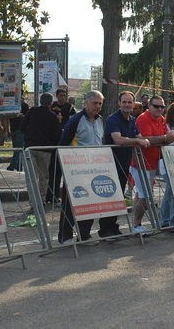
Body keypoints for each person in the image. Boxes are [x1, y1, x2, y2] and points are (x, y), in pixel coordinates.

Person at [57, 90, 106, 244]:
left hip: (94, 169)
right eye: (94, 103)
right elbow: (63, 144)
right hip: (75, 169)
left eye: (100, 103)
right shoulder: (76, 120)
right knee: (70, 203)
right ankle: (64, 237)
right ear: (86, 102)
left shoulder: (100, 120)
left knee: (90, 203)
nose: (97, 106)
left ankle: (84, 235)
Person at [102, 91, 150, 238]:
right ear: (119, 103)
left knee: (118, 198)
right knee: (109, 198)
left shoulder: (132, 120)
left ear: (134, 104)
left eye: (130, 102)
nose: (127, 105)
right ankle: (105, 231)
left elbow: (140, 137)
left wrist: (145, 140)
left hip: (124, 164)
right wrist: (138, 141)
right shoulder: (113, 119)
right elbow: (118, 140)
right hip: (110, 164)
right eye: (124, 102)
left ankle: (113, 228)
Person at [130, 96, 174, 234]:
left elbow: (163, 140)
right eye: (156, 106)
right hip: (139, 163)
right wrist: (165, 138)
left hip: (152, 164)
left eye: (162, 107)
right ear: (149, 106)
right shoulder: (143, 118)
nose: (159, 109)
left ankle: (136, 224)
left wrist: (172, 138)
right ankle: (137, 225)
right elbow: (144, 139)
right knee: (145, 195)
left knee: (142, 195)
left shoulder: (162, 120)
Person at [21, 93, 63, 213]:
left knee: (31, 177)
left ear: (40, 101)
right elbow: (57, 135)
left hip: (30, 147)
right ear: (50, 103)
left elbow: (22, 127)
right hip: (45, 149)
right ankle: (42, 199)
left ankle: (33, 202)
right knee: (44, 176)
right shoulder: (52, 116)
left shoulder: (32, 111)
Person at [6, 94, 29, 171]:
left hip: (14, 129)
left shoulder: (11, 105)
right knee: (18, 149)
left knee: (16, 149)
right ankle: (17, 165)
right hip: (21, 130)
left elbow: (7, 118)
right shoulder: (25, 105)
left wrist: (7, 130)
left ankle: (14, 165)